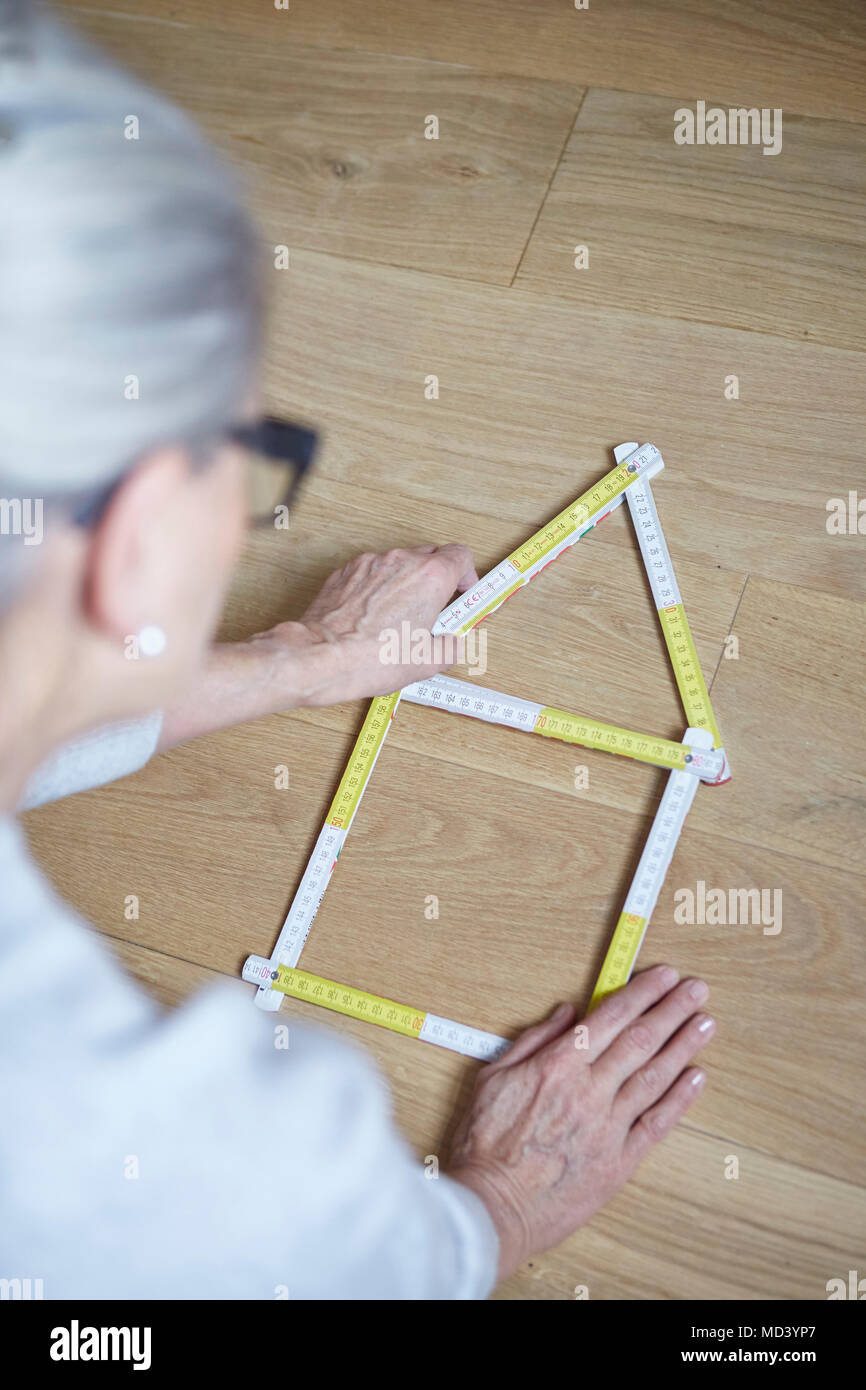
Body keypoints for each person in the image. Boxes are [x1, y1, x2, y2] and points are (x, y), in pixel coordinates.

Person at [0, 5, 715, 1298]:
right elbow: (363, 1272)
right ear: (140, 543)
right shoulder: (152, 1160)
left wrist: (301, 657)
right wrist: (500, 1201)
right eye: (244, 457)